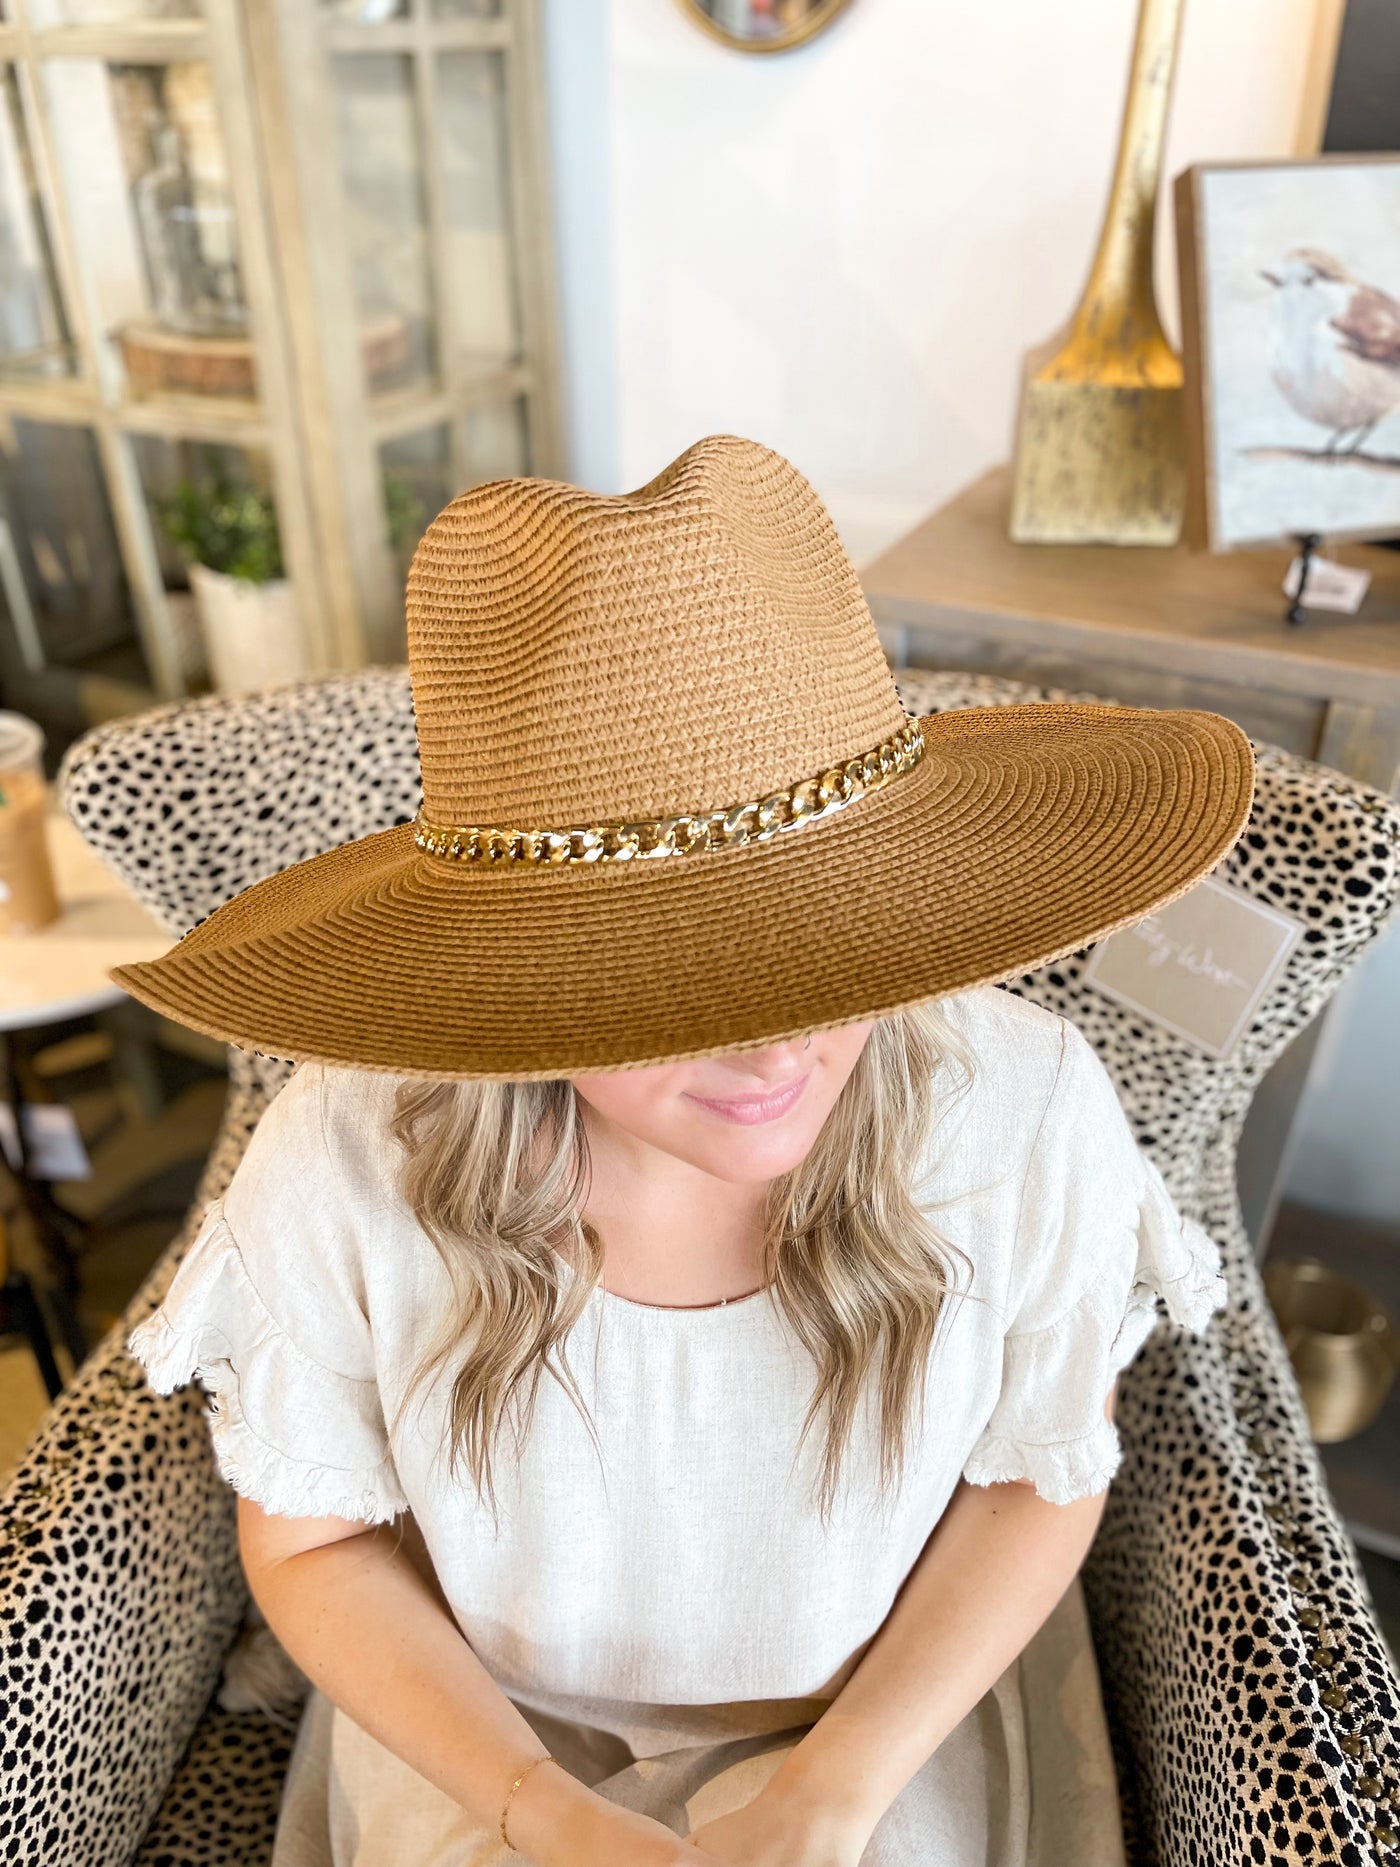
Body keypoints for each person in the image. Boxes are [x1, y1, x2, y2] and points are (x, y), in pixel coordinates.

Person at [118, 434, 1255, 1867]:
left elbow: (1037, 1477)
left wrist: (836, 1793)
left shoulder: (1020, 1110)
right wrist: (543, 1813)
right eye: (677, 990)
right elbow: (313, 1543)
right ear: (522, 975)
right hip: (489, 1740)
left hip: (890, 1719)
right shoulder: (347, 1160)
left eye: (833, 950)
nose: (776, 1053)